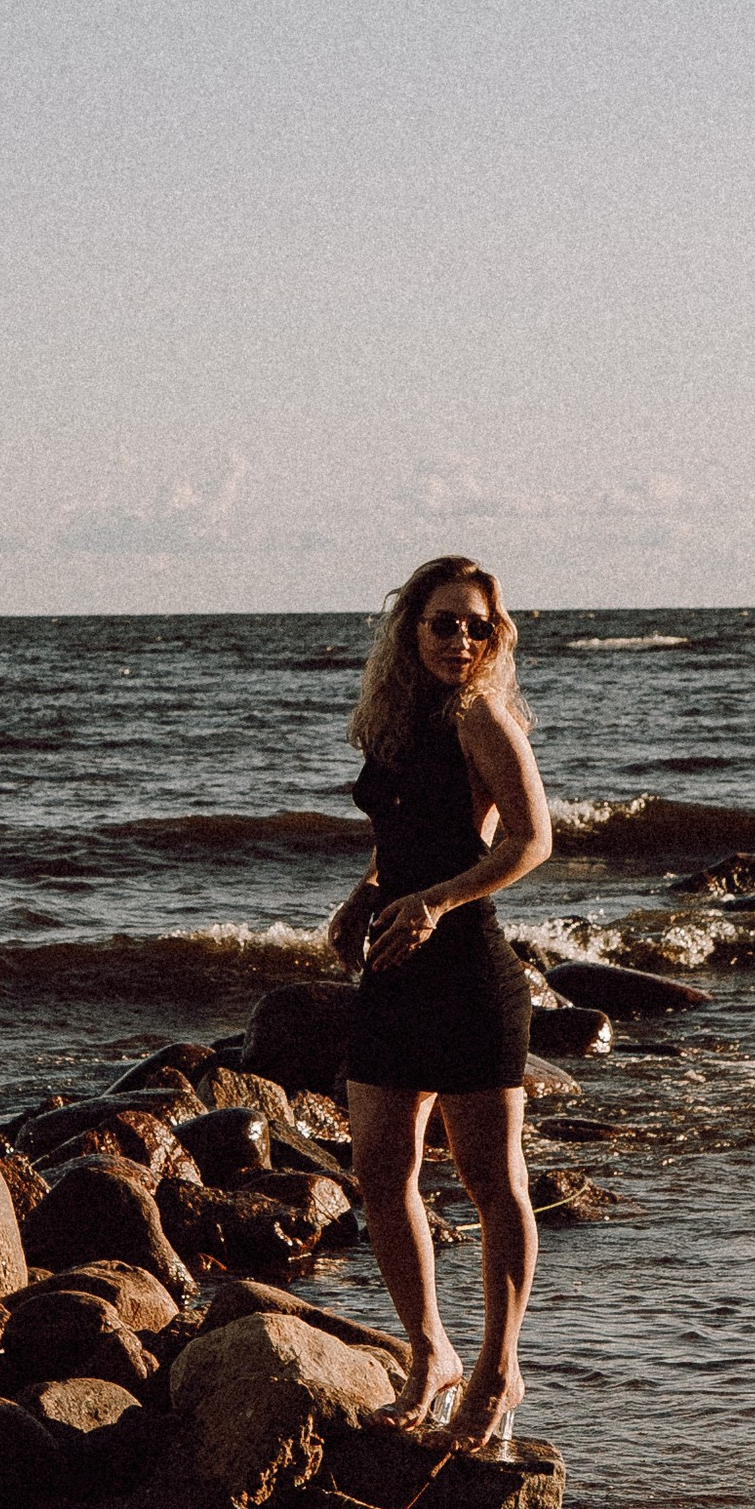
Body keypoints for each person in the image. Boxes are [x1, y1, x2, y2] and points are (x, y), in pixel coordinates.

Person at [327, 555, 553, 1449]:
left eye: (477, 626)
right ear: (409, 629)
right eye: (444, 623)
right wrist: (368, 892)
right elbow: (407, 834)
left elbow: (532, 840)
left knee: (493, 1182)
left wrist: (435, 902)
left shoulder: (480, 717)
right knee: (382, 1172)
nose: (461, 639)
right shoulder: (393, 721)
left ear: (495, 638)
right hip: (394, 971)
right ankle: (432, 1353)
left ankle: (500, 1368)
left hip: (467, 974)